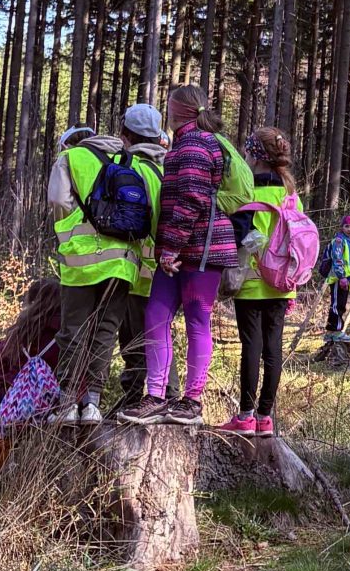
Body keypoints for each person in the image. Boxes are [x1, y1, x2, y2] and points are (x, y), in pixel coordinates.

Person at [123, 84, 247, 427]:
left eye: (169, 106)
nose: (167, 111)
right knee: (156, 316)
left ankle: (192, 401)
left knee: (196, 320)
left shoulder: (195, 145)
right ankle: (156, 397)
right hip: (179, 250)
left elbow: (192, 199)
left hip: (201, 250)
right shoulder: (183, 143)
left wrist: (172, 247)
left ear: (180, 110)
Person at [47, 123, 141, 422]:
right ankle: (92, 403)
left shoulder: (69, 158)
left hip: (81, 259)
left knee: (73, 330)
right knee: (105, 331)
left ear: (67, 144)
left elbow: (58, 201)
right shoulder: (127, 157)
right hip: (123, 262)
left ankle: (67, 402)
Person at [225, 126, 301, 436]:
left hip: (251, 282)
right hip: (283, 283)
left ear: (255, 158)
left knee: (251, 347)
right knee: (273, 348)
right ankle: (265, 417)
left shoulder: (247, 194)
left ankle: (245, 415)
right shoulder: (289, 195)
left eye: (246, 152)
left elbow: (237, 235)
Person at [110, 103, 167, 414]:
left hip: (138, 268)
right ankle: (160, 395)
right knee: (158, 336)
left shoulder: (132, 168)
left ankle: (137, 397)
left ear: (126, 135)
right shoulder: (167, 167)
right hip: (165, 268)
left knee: (135, 339)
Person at [323, 211, 350, 339]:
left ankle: (333, 331)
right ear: (342, 227)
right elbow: (337, 259)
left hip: (348, 279)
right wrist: (341, 276)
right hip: (338, 278)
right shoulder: (339, 241)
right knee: (336, 304)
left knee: (342, 304)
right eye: (347, 226)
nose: (349, 229)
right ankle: (335, 330)